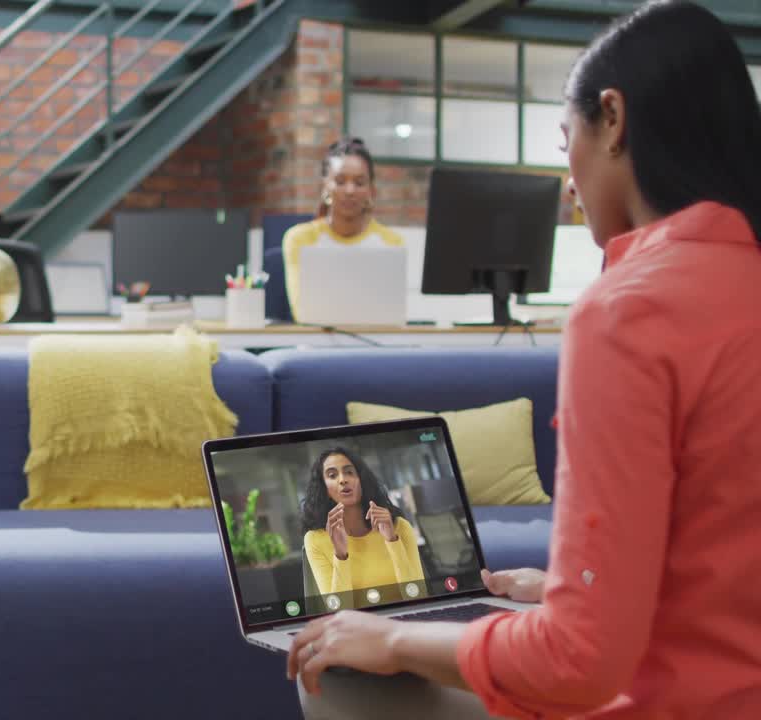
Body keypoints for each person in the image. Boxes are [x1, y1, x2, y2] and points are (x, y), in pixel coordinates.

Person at [286, 2, 761, 718]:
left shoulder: (625, 312)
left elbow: (577, 663)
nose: (568, 182)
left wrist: (393, 641)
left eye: (566, 139)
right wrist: (588, 590)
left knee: (338, 677)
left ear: (614, 119)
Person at [281, 137, 405, 314]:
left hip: (374, 340)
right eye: (340, 181)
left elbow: (391, 313)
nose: (350, 191)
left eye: (359, 182)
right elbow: (301, 311)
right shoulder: (300, 239)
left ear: (371, 189)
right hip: (315, 340)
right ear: (325, 186)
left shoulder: (391, 242)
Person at [301, 448, 423, 603]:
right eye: (332, 475)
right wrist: (340, 554)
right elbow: (339, 611)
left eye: (349, 472)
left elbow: (419, 596)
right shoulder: (315, 539)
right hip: (356, 626)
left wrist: (392, 541)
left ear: (362, 480)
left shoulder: (400, 527)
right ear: (324, 489)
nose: (343, 480)